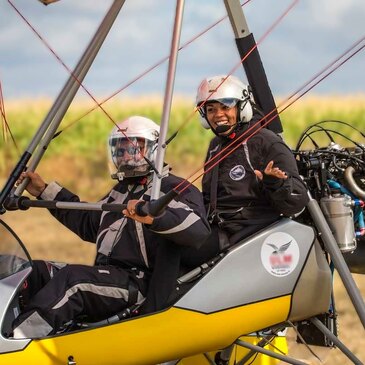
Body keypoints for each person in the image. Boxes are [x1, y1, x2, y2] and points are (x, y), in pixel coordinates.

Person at [12, 116, 210, 338]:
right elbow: (89, 224)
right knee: (34, 270)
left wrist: (155, 216)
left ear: (154, 149)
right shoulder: (121, 190)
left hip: (139, 285)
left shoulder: (173, 188)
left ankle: (17, 340)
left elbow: (198, 230)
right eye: (120, 150)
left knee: (73, 281)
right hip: (108, 276)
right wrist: (43, 191)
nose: (126, 155)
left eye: (134, 148)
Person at [187, 74, 309, 259]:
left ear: (242, 108)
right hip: (219, 229)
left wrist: (274, 183)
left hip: (250, 233)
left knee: (171, 250)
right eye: (211, 109)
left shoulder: (267, 143)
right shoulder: (216, 146)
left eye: (225, 107)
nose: (218, 114)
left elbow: (297, 203)